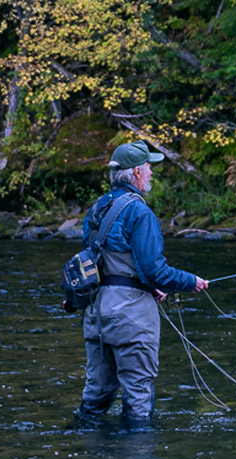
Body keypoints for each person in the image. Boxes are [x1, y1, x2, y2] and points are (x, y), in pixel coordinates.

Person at [74, 139, 209, 431]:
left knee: (96, 394)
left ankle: (83, 454)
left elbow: (104, 263)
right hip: (130, 317)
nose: (151, 172)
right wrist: (190, 282)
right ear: (136, 172)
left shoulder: (96, 209)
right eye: (149, 167)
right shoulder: (140, 212)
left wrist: (149, 286)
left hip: (96, 313)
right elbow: (154, 269)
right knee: (137, 396)